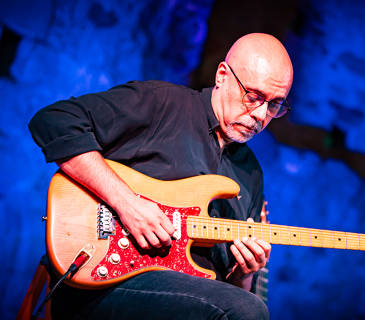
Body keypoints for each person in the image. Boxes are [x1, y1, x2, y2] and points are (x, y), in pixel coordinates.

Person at [29, 32, 293, 320]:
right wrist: (127, 204)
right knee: (247, 310)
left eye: (275, 104)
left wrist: (244, 271)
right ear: (222, 76)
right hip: (104, 282)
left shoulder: (251, 172)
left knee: (249, 306)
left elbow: (228, 292)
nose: (261, 114)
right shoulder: (162, 104)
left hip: (190, 300)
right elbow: (54, 121)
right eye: (254, 97)